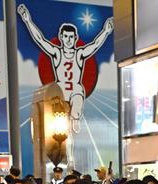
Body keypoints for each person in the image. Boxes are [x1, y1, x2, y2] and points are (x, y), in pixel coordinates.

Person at [16, 4, 114, 133]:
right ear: (61, 37)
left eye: (71, 37)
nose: (68, 40)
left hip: (75, 90)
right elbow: (40, 40)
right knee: (55, 118)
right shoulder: (57, 53)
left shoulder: (79, 54)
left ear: (75, 38)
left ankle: (75, 118)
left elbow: (95, 45)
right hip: (60, 90)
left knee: (78, 97)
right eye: (66, 36)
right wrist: (27, 20)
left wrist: (106, 31)